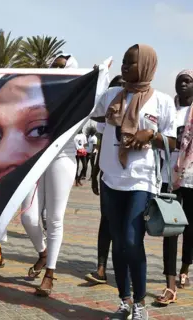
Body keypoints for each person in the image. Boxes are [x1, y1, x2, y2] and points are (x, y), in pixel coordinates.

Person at [90, 44, 176, 320]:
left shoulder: (161, 101)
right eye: (124, 62)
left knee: (131, 240)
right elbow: (96, 122)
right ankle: (124, 300)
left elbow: (172, 141)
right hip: (111, 178)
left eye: (131, 63)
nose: (125, 67)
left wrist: (149, 135)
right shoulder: (112, 95)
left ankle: (140, 302)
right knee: (117, 239)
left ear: (147, 66)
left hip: (141, 181)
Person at [0, 74, 50, 287]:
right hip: (3, 180)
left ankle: (44, 254)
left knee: (30, 219)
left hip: (30, 174)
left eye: (36, 130)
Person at [20, 54, 79, 297]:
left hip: (62, 157)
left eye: (61, 67)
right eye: (54, 66)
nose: (56, 69)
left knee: (54, 218)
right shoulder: (40, 94)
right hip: (36, 158)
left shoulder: (79, 97)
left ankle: (50, 273)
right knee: (29, 218)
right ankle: (43, 253)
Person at [155, 69, 193, 306]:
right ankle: (170, 285)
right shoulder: (169, 108)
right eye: (179, 81)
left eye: (188, 81)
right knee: (170, 228)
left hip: (192, 177)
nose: (183, 85)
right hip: (170, 176)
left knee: (189, 229)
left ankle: (185, 267)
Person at [85, 75, 123, 285]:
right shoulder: (105, 118)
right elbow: (101, 143)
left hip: (127, 175)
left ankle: (122, 267)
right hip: (107, 174)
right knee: (105, 220)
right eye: (113, 88)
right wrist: (94, 173)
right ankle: (101, 267)